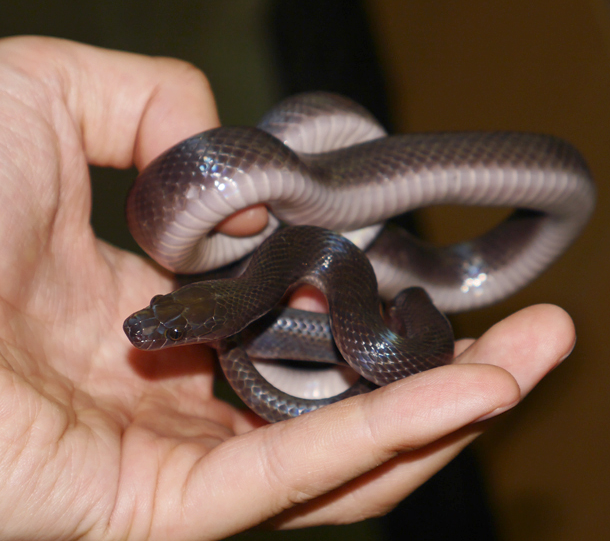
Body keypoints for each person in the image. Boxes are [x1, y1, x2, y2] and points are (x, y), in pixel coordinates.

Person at [0, 36, 576, 540]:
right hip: (311, 275)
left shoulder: (296, 262)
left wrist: (404, 305)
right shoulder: (271, 279)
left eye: (169, 323)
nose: (152, 328)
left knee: (405, 298)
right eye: (172, 325)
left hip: (333, 257)